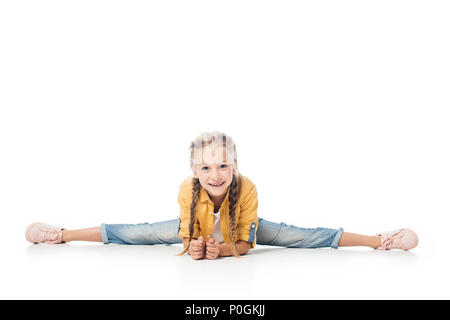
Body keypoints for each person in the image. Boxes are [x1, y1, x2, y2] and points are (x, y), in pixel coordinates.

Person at [25, 131, 419, 259]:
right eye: (206, 168)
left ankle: (379, 240)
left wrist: (224, 250)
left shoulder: (246, 188)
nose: (216, 175)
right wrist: (195, 246)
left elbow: (246, 241)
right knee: (139, 231)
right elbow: (184, 234)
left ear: (234, 166)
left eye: (223, 166)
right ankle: (62, 234)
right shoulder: (187, 189)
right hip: (198, 229)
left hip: (238, 230)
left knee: (299, 235)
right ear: (195, 171)